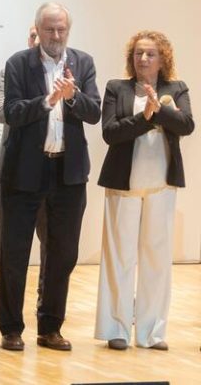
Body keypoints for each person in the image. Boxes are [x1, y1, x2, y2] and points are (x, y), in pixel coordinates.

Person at [0, 2, 101, 352]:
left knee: (63, 254)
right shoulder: (18, 63)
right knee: (14, 254)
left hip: (68, 173)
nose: (56, 36)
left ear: (68, 30)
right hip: (24, 171)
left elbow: (94, 112)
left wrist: (72, 98)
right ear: (37, 30)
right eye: (50, 30)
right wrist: (46, 101)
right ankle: (11, 329)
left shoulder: (82, 63)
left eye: (61, 30)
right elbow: (9, 112)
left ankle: (50, 327)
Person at [95, 30, 194, 351]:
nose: (143, 59)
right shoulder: (116, 88)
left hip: (161, 185)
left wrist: (161, 110)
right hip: (123, 185)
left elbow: (186, 125)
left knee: (156, 260)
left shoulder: (176, 89)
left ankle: (152, 333)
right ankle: (117, 329)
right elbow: (110, 133)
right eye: (138, 53)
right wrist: (146, 117)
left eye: (150, 53)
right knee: (118, 257)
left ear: (163, 58)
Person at [0, 26, 47, 312]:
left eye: (46, 35)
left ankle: (45, 305)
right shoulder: (13, 70)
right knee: (12, 248)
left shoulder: (65, 75)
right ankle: (11, 316)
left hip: (54, 173)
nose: (39, 41)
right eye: (34, 36)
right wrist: (44, 103)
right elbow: (3, 112)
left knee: (54, 249)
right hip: (17, 169)